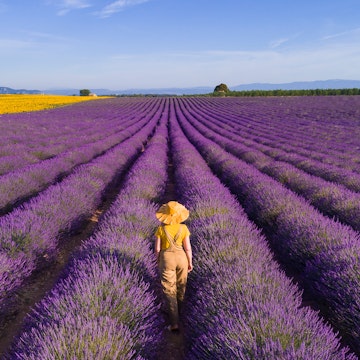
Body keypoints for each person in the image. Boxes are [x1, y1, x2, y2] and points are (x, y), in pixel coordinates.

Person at [155, 201, 193, 332]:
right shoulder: (183, 228)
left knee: (169, 288)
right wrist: (190, 262)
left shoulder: (161, 228)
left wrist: (157, 260)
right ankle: (179, 311)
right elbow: (188, 248)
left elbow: (157, 249)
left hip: (167, 259)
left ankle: (174, 322)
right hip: (181, 257)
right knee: (181, 285)